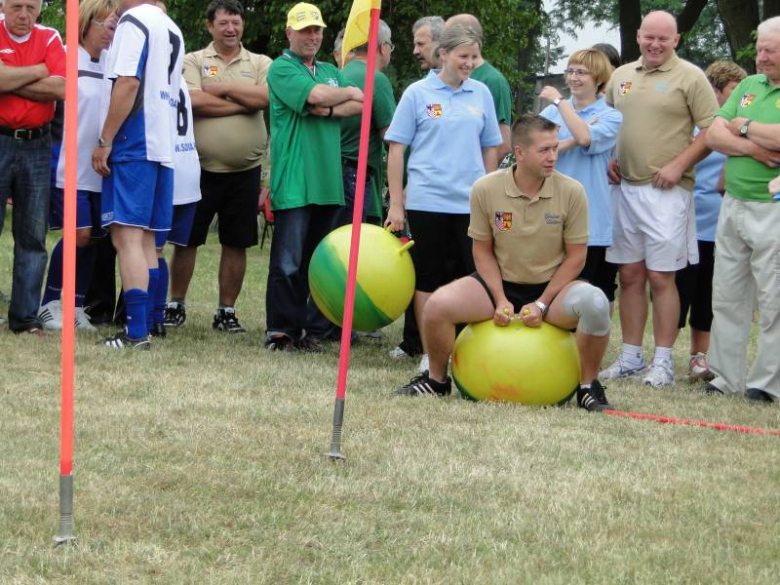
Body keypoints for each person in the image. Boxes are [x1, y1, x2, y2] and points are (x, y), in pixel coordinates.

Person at [394, 114, 612, 412]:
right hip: (500, 282)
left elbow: (577, 257)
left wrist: (543, 304)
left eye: (555, 149)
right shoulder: (485, 188)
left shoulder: (572, 191)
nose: (553, 157)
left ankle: (588, 386)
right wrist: (499, 299)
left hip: (554, 290)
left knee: (596, 304)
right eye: (544, 150)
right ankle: (437, 380)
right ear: (519, 153)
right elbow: (481, 251)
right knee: (437, 305)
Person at [600, 10, 719, 387]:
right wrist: (609, 159)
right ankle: (632, 356)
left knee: (662, 276)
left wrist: (678, 164)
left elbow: (712, 132)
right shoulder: (620, 76)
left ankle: (663, 361)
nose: (655, 44)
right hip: (625, 190)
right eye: (649, 37)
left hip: (668, 192)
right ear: (638, 36)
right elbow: (605, 123)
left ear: (676, 41)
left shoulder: (691, 76)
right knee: (629, 273)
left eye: (663, 39)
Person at [384, 24, 502, 372]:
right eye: (463, 56)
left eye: (473, 57)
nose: (469, 63)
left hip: (471, 206)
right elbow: (396, 149)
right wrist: (396, 203)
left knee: (476, 278)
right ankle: (429, 353)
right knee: (427, 279)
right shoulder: (417, 94)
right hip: (426, 201)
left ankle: (472, 351)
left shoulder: (481, 93)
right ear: (444, 54)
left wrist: (491, 194)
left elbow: (490, 148)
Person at [166, 0, 271, 334]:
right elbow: (193, 100)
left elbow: (266, 98)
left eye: (236, 22)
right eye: (224, 23)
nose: (231, 29)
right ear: (210, 26)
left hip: (245, 170)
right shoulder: (192, 60)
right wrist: (243, 104)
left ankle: (226, 311)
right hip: (198, 169)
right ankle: (175, 304)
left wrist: (224, 94)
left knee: (236, 242)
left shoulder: (260, 62)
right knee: (186, 240)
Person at [264, 2, 363, 351]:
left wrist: (331, 104)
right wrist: (341, 96)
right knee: (288, 262)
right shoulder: (280, 68)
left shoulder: (328, 70)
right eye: (305, 30)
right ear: (289, 32)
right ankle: (280, 331)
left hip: (327, 181)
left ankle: (306, 330)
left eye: (317, 30)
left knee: (315, 264)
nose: (312, 36)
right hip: (295, 180)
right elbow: (318, 95)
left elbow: (358, 104)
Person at [91, 0, 184, 349]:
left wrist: (105, 140)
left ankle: (135, 333)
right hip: (162, 144)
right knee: (146, 239)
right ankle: (150, 323)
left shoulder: (134, 20)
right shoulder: (170, 24)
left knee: (126, 238)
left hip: (134, 141)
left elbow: (128, 83)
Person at [704, 16, 780, 403]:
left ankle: (767, 384)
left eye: (770, 50)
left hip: (773, 208)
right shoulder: (749, 84)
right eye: (760, 49)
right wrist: (757, 146)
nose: (761, 57)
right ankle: (724, 377)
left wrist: (744, 125)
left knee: (773, 299)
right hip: (733, 203)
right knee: (727, 294)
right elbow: (714, 133)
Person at [37, 0, 117, 332]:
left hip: (101, 169)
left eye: (114, 26)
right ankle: (50, 303)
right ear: (86, 23)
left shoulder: (114, 62)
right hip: (67, 166)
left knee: (95, 238)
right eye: (106, 25)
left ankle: (76, 304)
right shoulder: (67, 56)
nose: (110, 32)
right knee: (78, 235)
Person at [675, 61, 747, 382]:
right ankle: (662, 354)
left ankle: (698, 357)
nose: (740, 98)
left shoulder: (739, 128)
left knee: (708, 294)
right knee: (678, 289)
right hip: (682, 221)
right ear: (714, 91)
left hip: (719, 225)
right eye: (733, 91)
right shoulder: (688, 125)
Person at [0, 0, 66, 335]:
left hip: (38, 146)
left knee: (32, 234)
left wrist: (10, 79)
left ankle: (24, 318)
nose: (23, 15)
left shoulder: (51, 37)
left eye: (30, 7)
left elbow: (62, 87)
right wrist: (40, 70)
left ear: (39, 8)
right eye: (16, 7)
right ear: (2, 6)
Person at [539, 49, 622, 310]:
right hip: (551, 213)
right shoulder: (550, 115)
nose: (573, 77)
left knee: (588, 295)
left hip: (590, 218)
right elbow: (537, 152)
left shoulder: (611, 115)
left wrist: (559, 102)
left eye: (581, 72)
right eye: (570, 71)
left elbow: (585, 139)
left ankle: (588, 349)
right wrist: (569, 141)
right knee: (551, 292)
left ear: (598, 78)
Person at [339, 19, 395, 226]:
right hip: (358, 179)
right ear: (383, 47)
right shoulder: (376, 79)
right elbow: (392, 137)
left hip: (331, 178)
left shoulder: (338, 74)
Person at [445, 14, 513, 162]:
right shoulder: (452, 77)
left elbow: (503, 144)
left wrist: (477, 180)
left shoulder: (493, 81)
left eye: (447, 36)